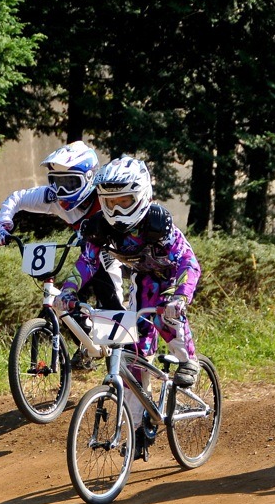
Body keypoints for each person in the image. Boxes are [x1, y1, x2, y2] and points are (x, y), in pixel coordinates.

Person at [57, 156, 201, 459]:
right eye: (110, 203)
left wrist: (181, 297)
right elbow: (86, 263)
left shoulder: (157, 222)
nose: (117, 210)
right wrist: (68, 291)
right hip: (142, 279)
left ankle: (189, 359)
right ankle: (137, 430)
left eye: (125, 201)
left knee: (166, 317)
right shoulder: (98, 228)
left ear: (143, 195)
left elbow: (188, 262)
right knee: (134, 356)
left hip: (169, 279)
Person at [0, 140, 125, 368]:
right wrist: (3, 224)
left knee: (110, 298)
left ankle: (126, 355)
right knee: (66, 299)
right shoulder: (54, 198)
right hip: (86, 249)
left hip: (112, 250)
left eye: (70, 182)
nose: (61, 191)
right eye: (56, 182)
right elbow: (16, 198)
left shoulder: (105, 198)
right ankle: (87, 346)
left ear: (89, 178)